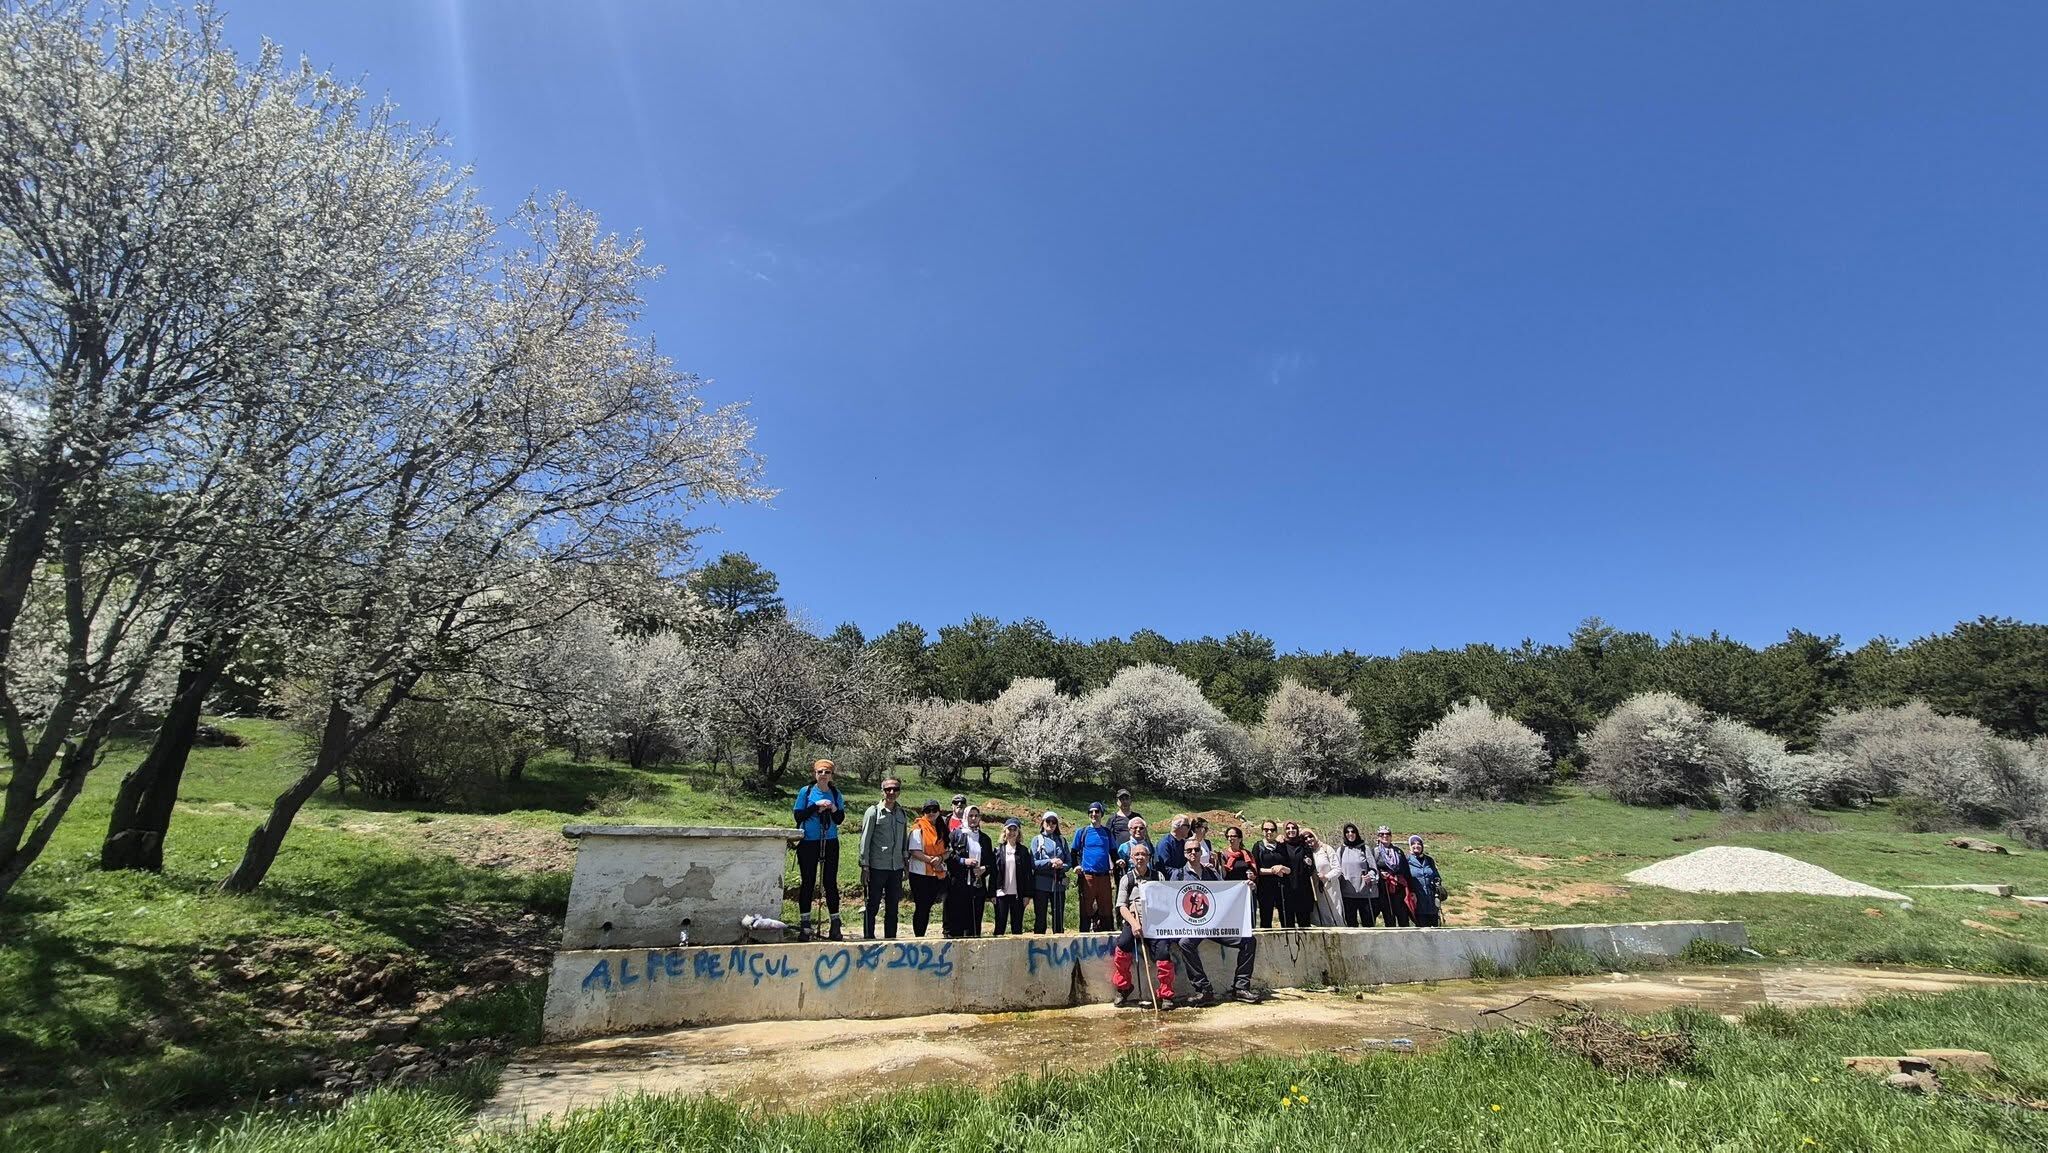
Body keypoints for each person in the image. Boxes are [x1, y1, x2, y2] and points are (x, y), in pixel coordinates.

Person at [1162, 827, 1259, 1005]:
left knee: (1249, 940)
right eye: (1189, 850)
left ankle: (1241, 987)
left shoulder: (1211, 872)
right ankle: (1204, 989)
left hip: (1215, 924)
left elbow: (1226, 892)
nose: (1193, 853)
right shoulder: (1178, 875)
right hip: (1193, 926)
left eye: (1196, 850)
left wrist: (1246, 886)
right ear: (1184, 854)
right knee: (1185, 943)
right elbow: (1170, 901)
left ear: (1201, 852)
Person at [1110, 842, 1175, 1009]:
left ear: (1148, 857)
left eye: (1143, 855)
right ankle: (1124, 987)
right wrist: (1134, 924)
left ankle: (1166, 994)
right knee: (1122, 946)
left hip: (1155, 923)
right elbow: (1121, 906)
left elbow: (1165, 902)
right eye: (1136, 855)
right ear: (1131, 858)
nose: (1140, 858)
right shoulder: (1127, 879)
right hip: (1133, 921)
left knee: (1163, 953)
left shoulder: (1158, 876)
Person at [790, 758, 846, 941]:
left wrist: (833, 808)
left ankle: (835, 924)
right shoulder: (806, 792)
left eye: (827, 772)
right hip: (808, 841)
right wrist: (816, 807)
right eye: (820, 771)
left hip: (830, 840)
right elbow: (798, 814)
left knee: (830, 882)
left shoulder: (836, 793)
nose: (823, 775)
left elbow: (839, 819)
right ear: (815, 773)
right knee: (808, 881)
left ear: (831, 775)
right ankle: (805, 924)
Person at [857, 777, 909, 940]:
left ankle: (890, 939)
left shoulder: (902, 813)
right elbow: (865, 840)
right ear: (882, 791)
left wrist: (905, 862)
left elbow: (903, 840)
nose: (891, 792)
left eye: (895, 789)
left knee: (893, 907)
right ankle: (868, 937)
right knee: (872, 905)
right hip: (877, 866)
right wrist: (865, 866)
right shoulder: (873, 812)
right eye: (888, 789)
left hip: (896, 867)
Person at [945, 806, 994, 937]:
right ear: (965, 817)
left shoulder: (985, 839)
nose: (973, 819)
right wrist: (963, 861)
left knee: (974, 921)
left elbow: (992, 862)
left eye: (976, 816)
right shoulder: (956, 835)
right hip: (958, 884)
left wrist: (984, 869)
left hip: (977, 887)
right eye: (970, 816)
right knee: (956, 920)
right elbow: (947, 856)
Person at [907, 800, 950, 938]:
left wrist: (941, 859)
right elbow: (914, 851)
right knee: (922, 907)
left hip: (937, 873)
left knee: (930, 905)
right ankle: (919, 937)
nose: (931, 813)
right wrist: (933, 861)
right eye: (928, 810)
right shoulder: (918, 828)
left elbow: (949, 850)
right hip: (920, 873)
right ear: (923, 813)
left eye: (934, 810)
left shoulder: (942, 827)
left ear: (939, 811)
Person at [1071, 802, 1117, 931]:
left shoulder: (1107, 833)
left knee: (1106, 908)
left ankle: (1108, 937)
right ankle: (1084, 937)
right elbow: (1073, 852)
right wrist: (1076, 866)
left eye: (1097, 812)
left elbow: (1113, 852)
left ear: (1101, 814)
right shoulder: (1082, 832)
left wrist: (1118, 861)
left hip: (1104, 876)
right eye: (1091, 812)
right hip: (1088, 876)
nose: (1094, 814)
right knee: (1086, 908)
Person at [988, 818, 1031, 936]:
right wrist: (992, 893)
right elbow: (994, 873)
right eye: (1009, 829)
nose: (1012, 832)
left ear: (1018, 832)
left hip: (1018, 894)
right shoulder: (998, 850)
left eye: (1014, 829)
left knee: (1017, 928)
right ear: (1004, 831)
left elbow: (1027, 874)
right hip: (1001, 893)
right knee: (999, 926)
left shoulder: (1023, 851)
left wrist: (1027, 895)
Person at [1029, 811, 1071, 933]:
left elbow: (1069, 862)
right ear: (1042, 823)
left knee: (1059, 919)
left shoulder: (1062, 841)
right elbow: (1033, 863)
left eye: (1054, 822)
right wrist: (1049, 862)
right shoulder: (1036, 840)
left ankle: (1058, 947)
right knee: (1040, 918)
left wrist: (1061, 865)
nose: (1051, 824)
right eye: (1048, 821)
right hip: (1041, 885)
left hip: (1058, 886)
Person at [1371, 825, 1414, 928]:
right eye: (1382, 834)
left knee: (1403, 919)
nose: (1385, 836)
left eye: (1387, 834)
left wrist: (1411, 890)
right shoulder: (1375, 852)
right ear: (1378, 837)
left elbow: (1406, 871)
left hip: (1399, 891)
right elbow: (1371, 868)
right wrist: (1380, 874)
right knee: (1389, 919)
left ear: (1391, 836)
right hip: (1383, 891)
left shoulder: (1398, 852)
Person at [1252, 821, 1290, 928]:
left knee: (1286, 918)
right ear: (1262, 831)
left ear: (1276, 832)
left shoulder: (1282, 847)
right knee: (1266, 919)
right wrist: (1272, 870)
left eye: (1272, 830)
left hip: (1282, 887)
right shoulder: (1258, 846)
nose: (1269, 832)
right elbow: (1255, 869)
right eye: (1266, 830)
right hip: (1265, 887)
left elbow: (1289, 867)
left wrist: (1282, 868)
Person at [1280, 821, 1317, 928]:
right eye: (1288, 828)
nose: (1291, 830)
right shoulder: (1281, 846)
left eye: (1293, 828)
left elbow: (1311, 869)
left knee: (1305, 926)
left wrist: (1309, 864)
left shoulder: (1304, 846)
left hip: (1303, 891)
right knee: (1288, 926)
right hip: (1287, 891)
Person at [1405, 834, 1446, 927]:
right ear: (1410, 847)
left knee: (1435, 927)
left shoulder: (1429, 860)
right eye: (1413, 844)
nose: (1416, 846)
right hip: (1416, 900)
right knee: (1421, 929)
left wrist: (1437, 884)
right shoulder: (1406, 860)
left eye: (1419, 844)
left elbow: (1436, 875)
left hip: (1431, 900)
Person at [1108, 789, 1143, 855]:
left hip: (1137, 855)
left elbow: (1145, 835)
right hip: (1120, 855)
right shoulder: (1112, 819)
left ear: (1130, 801)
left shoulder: (1137, 817)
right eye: (1122, 799)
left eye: (1127, 799)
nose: (1125, 801)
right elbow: (1108, 839)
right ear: (1117, 801)